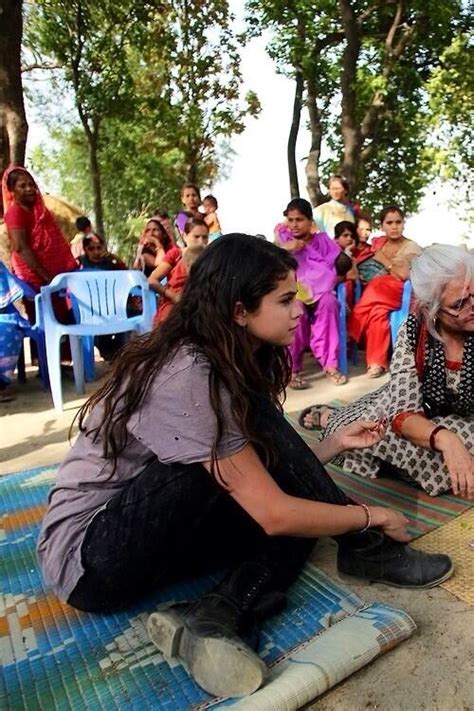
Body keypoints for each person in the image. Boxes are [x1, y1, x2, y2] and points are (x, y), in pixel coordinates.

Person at [36, 235, 452, 699]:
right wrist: (369, 516)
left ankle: (216, 615)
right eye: (285, 300)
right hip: (93, 558)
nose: (300, 311)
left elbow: (258, 480)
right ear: (239, 311)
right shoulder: (188, 374)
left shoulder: (221, 357)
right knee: (281, 507)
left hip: (158, 535)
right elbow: (271, 508)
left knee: (298, 514)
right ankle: (363, 545)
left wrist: (331, 444)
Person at [300, 245, 474, 500]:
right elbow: (404, 415)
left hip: (467, 422)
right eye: (460, 304)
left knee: (459, 441)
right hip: (419, 415)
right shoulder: (415, 331)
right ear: (431, 309)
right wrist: (447, 441)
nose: (473, 306)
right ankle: (329, 417)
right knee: (364, 430)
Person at [275, 198, 347, 387]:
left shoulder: (323, 241)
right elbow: (269, 266)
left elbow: (343, 266)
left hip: (321, 293)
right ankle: (291, 370)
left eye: (299, 219)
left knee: (329, 303)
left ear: (310, 221)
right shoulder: (283, 240)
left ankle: (330, 366)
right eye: (290, 220)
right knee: (294, 313)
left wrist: (330, 281)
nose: (294, 225)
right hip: (293, 294)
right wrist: (285, 250)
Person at [349, 205, 421, 377]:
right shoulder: (379, 244)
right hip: (381, 296)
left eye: (398, 222)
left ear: (404, 224)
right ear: (382, 226)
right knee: (377, 312)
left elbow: (403, 274)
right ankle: (376, 363)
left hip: (402, 293)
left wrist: (384, 260)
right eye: (389, 222)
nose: (394, 226)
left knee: (376, 285)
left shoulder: (411, 247)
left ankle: (352, 328)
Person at [148, 217, 208, 325]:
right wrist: (174, 296)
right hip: (174, 303)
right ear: (185, 236)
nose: (201, 241)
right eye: (196, 237)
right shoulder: (176, 254)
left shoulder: (210, 258)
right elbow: (152, 280)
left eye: (205, 237)